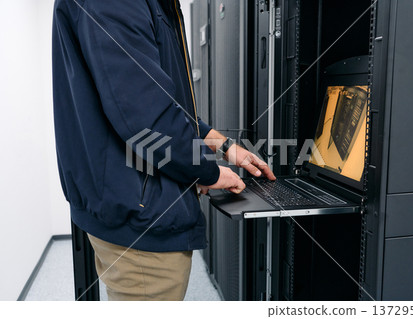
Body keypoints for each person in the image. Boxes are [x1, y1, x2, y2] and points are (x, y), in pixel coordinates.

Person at [52, 0, 275, 301]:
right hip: (142, 215)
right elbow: (146, 117)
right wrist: (208, 172)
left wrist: (223, 146)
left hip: (132, 204)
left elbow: (160, 99)